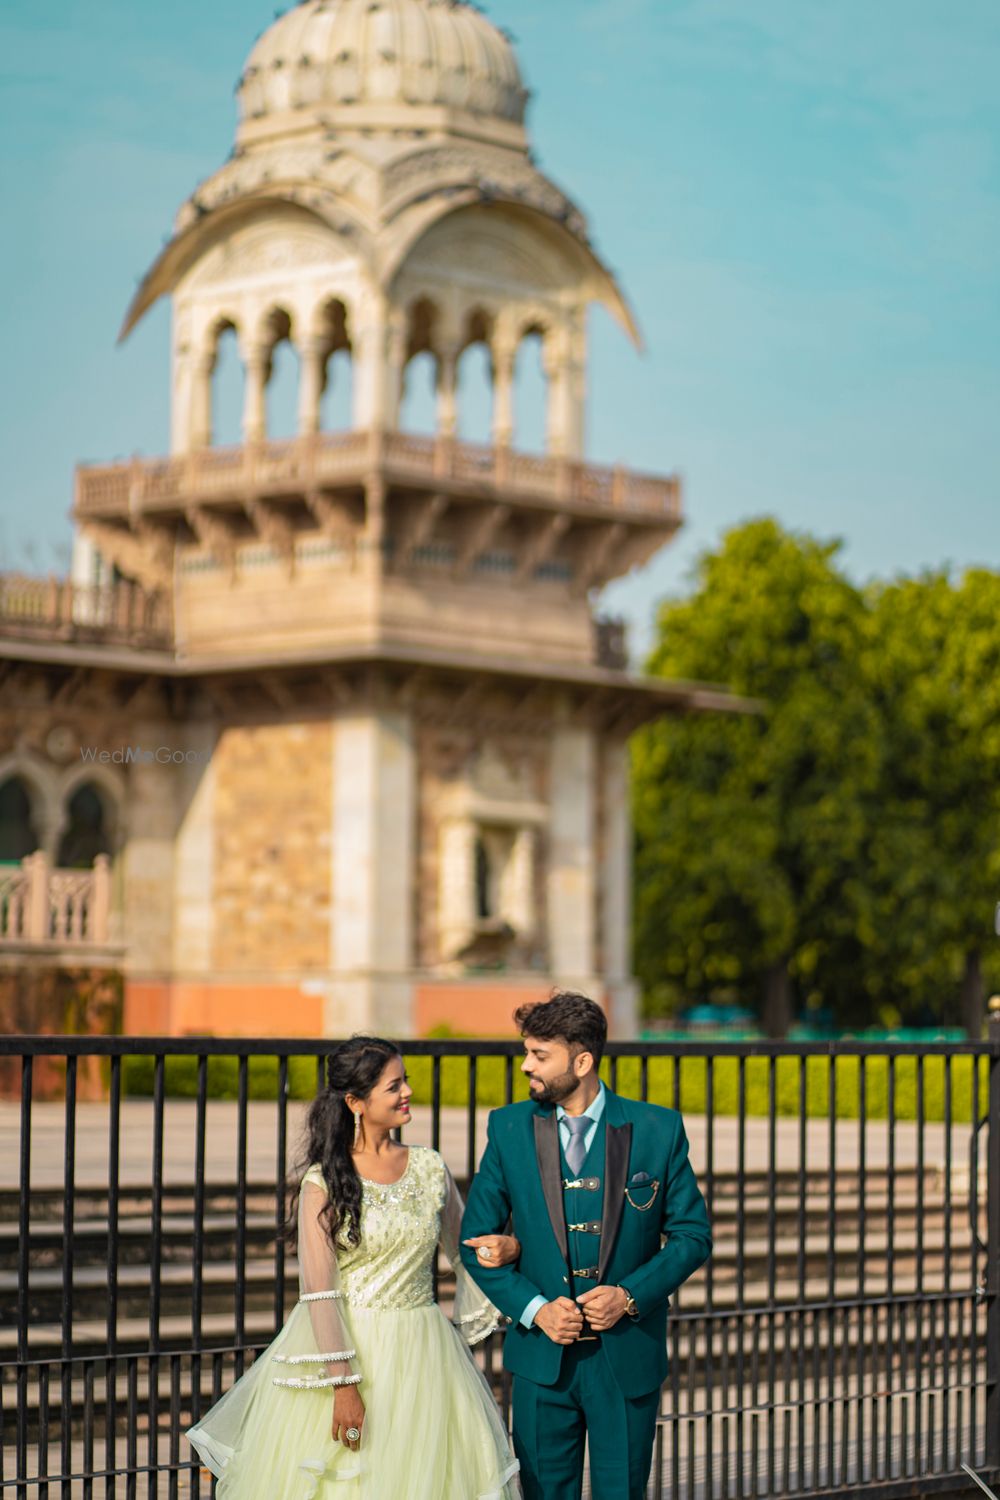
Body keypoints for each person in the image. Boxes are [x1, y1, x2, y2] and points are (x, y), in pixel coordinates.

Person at [187, 1036, 522, 1499]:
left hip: (425, 1355)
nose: (407, 1092)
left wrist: (505, 1246)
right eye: (393, 1085)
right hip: (353, 1350)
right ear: (355, 1102)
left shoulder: (428, 1166)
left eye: (405, 1080)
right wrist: (343, 1387)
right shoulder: (322, 1182)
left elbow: (462, 1249)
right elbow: (319, 1293)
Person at [459, 992, 711, 1500]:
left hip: (626, 1360)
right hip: (540, 1362)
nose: (526, 1065)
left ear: (582, 1061)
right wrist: (534, 1309)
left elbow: (692, 1236)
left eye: (540, 1055)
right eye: (527, 1051)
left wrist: (629, 1296)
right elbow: (474, 1243)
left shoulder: (657, 1130)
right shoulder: (508, 1129)